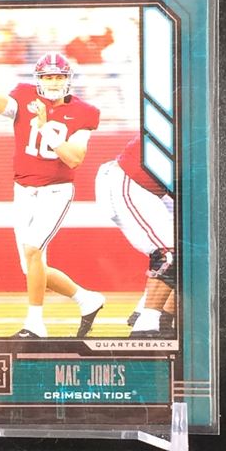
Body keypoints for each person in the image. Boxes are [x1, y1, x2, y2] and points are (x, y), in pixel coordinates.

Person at [0, 44, 105, 338]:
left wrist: (45, 127)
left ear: (68, 79)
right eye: (48, 77)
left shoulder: (85, 112)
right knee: (31, 266)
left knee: (33, 249)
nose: (53, 82)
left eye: (58, 77)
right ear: (38, 79)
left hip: (55, 192)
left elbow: (74, 158)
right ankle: (87, 299)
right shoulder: (23, 97)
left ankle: (34, 325)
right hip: (23, 190)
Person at [95, 136, 176, 338]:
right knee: (169, 254)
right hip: (131, 178)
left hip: (147, 186)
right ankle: (146, 326)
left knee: (193, 253)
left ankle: (161, 319)